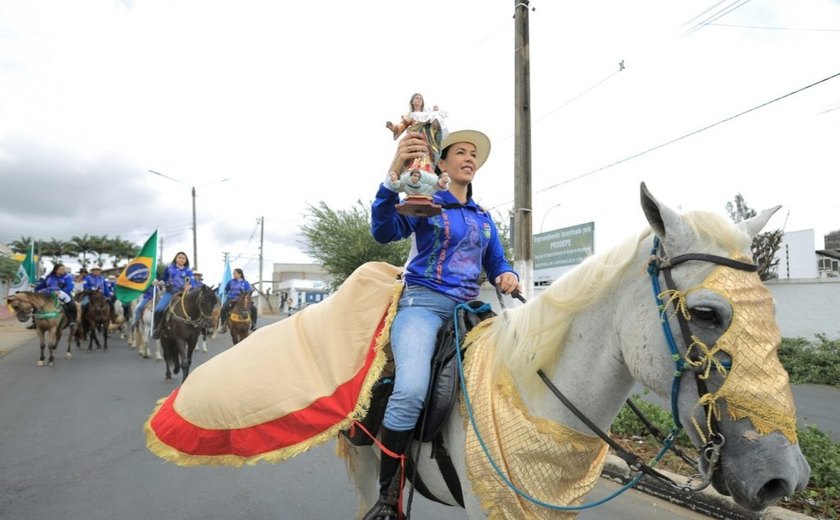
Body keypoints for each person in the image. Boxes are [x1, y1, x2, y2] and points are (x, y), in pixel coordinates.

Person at [366, 129, 521, 519]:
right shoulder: (425, 203)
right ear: (442, 164)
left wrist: (507, 274)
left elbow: (496, 261)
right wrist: (390, 179)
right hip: (423, 306)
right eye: (461, 152)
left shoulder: (483, 218)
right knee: (412, 389)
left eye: (474, 154)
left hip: (471, 313)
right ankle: (387, 497)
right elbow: (383, 231)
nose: (470, 158)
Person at [152, 252, 194, 339]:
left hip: (183, 294)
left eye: (184, 258)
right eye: (180, 257)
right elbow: (164, 279)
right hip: (170, 293)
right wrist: (158, 283)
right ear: (176, 259)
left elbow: (192, 282)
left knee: (195, 308)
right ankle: (157, 329)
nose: (182, 259)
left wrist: (189, 286)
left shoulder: (188, 271)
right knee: (158, 309)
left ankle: (197, 329)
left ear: (186, 260)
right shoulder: (169, 268)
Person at [218, 268, 257, 333]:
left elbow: (248, 291)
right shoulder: (231, 282)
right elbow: (226, 289)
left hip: (242, 299)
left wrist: (245, 295)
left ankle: (253, 324)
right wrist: (225, 292)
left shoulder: (245, 282)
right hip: (231, 298)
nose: (233, 274)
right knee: (223, 309)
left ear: (240, 274)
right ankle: (223, 325)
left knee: (254, 309)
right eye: (233, 273)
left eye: (235, 273)